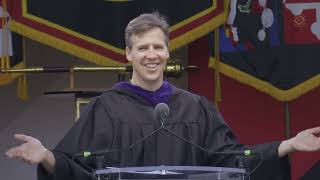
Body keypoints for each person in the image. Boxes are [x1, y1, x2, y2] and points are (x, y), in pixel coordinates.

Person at [6, 12, 320, 180]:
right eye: (142, 48)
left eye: (158, 47)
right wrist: (47, 156)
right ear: (128, 54)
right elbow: (76, 168)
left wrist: (287, 145)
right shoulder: (106, 109)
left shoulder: (195, 107)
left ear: (168, 52)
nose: (152, 55)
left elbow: (231, 160)